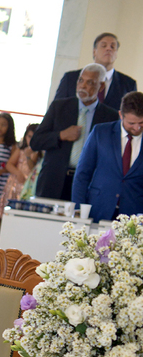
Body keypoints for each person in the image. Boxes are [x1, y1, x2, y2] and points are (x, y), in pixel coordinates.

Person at [31, 63, 117, 202]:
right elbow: (35, 142)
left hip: (88, 184)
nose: (83, 86)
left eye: (90, 82)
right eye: (81, 80)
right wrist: (61, 135)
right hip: (53, 182)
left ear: (101, 86)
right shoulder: (58, 107)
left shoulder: (110, 117)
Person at [74, 91, 143, 222]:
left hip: (135, 216)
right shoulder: (100, 133)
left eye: (141, 122)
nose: (137, 128)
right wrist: (78, 210)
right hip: (98, 209)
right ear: (120, 115)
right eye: (131, 123)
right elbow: (83, 174)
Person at [54, 33, 137, 112]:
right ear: (94, 52)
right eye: (104, 46)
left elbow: (132, 115)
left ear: (116, 54)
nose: (108, 49)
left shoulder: (128, 84)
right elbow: (56, 109)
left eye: (113, 47)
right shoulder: (71, 78)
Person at [1, 122, 41, 205]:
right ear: (25, 136)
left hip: (28, 185)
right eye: (29, 136)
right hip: (15, 183)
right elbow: (9, 164)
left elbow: (33, 169)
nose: (31, 140)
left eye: (34, 137)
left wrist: (28, 157)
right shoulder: (21, 150)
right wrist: (18, 173)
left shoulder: (39, 153)